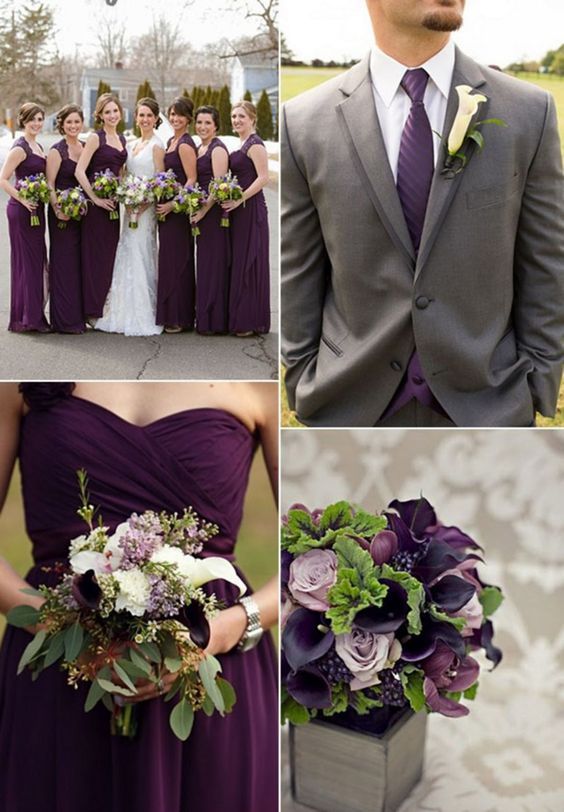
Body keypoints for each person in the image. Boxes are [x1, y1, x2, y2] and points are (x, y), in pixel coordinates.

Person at [281, 0, 564, 427]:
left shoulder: (530, 113)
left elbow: (547, 263)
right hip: (349, 410)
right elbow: (297, 272)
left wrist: (537, 382)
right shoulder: (302, 123)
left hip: (489, 409)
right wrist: (303, 374)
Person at [0, 381, 278, 812]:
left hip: (210, 675)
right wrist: (56, 625)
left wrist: (225, 630)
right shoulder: (17, 378)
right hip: (58, 673)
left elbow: (313, 556)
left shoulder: (258, 380)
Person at [96, 98, 165, 336]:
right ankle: (120, 310)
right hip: (129, 209)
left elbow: (160, 181)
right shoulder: (132, 144)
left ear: (156, 118)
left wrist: (144, 203)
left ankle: (142, 312)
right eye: (141, 115)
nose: (145, 119)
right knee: (125, 253)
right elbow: (124, 174)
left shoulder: (157, 146)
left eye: (149, 115)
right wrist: (126, 195)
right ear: (135, 118)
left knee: (140, 253)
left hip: (144, 211)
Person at [75, 93, 127, 321]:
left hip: (113, 207)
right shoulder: (96, 138)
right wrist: (94, 199)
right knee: (94, 257)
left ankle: (102, 308)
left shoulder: (123, 139)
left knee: (108, 256)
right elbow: (79, 171)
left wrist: (125, 190)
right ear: (100, 115)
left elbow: (121, 172)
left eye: (115, 111)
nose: (112, 115)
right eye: (107, 112)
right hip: (97, 208)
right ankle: (90, 311)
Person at [0, 102, 50, 333]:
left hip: (36, 210)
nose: (37, 123)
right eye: (32, 119)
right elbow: (3, 179)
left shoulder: (37, 145)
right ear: (23, 121)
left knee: (36, 261)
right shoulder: (20, 148)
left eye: (40, 119)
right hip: (21, 210)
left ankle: (31, 314)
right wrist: (22, 198)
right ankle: (28, 319)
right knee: (27, 263)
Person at [224, 101, 271, 336]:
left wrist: (240, 197)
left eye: (241, 116)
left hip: (251, 208)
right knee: (240, 260)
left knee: (249, 261)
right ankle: (240, 315)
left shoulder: (255, 144)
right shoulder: (240, 143)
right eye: (233, 116)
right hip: (238, 209)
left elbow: (263, 177)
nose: (236, 120)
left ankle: (249, 320)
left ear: (252, 118)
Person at [156, 97, 198, 333]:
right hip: (166, 210)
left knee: (178, 261)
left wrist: (173, 204)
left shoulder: (184, 144)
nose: (175, 119)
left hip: (178, 211)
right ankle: (171, 313)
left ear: (188, 118)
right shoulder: (172, 140)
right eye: (172, 114)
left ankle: (179, 317)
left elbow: (191, 179)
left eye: (180, 115)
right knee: (168, 260)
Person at [46, 104, 86, 334]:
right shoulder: (56, 151)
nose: (73, 126)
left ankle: (78, 315)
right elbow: (50, 184)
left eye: (77, 122)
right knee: (63, 264)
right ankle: (63, 320)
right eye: (69, 122)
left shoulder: (84, 147)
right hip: (61, 214)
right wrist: (57, 207)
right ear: (62, 124)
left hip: (81, 215)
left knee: (79, 264)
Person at [191, 105, 230, 334]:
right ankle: (204, 317)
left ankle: (215, 321)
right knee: (204, 264)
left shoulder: (217, 149)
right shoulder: (199, 148)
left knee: (214, 265)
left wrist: (204, 211)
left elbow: (219, 184)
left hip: (213, 215)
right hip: (201, 212)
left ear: (216, 125)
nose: (203, 126)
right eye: (199, 122)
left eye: (207, 123)